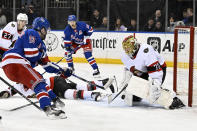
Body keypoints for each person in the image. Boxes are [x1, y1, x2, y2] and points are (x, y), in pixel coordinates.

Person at [0, 17, 73, 119]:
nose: (47, 32)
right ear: (42, 29)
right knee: (38, 82)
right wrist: (41, 55)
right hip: (15, 61)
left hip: (14, 67)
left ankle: (54, 99)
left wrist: (61, 70)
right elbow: (31, 54)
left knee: (39, 80)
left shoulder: (41, 45)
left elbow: (47, 65)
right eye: (46, 30)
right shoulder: (31, 33)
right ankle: (48, 109)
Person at [120, 35, 185, 109]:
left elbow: (156, 72)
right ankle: (138, 95)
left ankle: (172, 100)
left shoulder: (146, 51)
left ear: (135, 46)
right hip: (143, 71)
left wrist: (155, 85)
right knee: (134, 96)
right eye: (125, 48)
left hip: (159, 69)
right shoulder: (124, 55)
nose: (127, 50)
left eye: (129, 47)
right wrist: (128, 84)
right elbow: (133, 70)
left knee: (154, 91)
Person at [0, 76, 116, 102]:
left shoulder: (30, 78)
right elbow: (10, 90)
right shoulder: (18, 86)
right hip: (56, 82)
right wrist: (4, 93)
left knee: (67, 93)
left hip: (54, 84)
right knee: (75, 86)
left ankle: (93, 95)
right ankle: (102, 83)